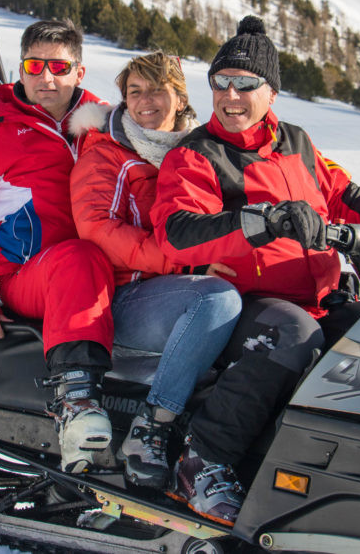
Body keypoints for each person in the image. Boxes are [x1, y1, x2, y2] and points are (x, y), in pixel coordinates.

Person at [151, 15, 360, 525]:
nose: (230, 95)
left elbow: (341, 192)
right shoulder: (198, 154)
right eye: (221, 83)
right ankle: (203, 458)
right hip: (246, 302)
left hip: (321, 295)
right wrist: (263, 220)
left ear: (271, 92)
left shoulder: (294, 141)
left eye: (245, 84)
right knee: (293, 335)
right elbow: (179, 230)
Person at [0, 19, 117, 474]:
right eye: (35, 65)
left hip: (109, 274)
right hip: (29, 277)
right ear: (21, 69)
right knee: (79, 257)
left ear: (79, 72)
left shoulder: (105, 125)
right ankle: (74, 403)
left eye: (58, 66)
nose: (46, 78)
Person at [68, 51, 243, 489]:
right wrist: (182, 259)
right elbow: (98, 229)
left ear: (179, 98)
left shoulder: (198, 152)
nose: (145, 101)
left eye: (157, 90)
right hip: (122, 299)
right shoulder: (105, 155)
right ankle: (152, 426)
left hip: (172, 289)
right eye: (134, 92)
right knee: (217, 299)